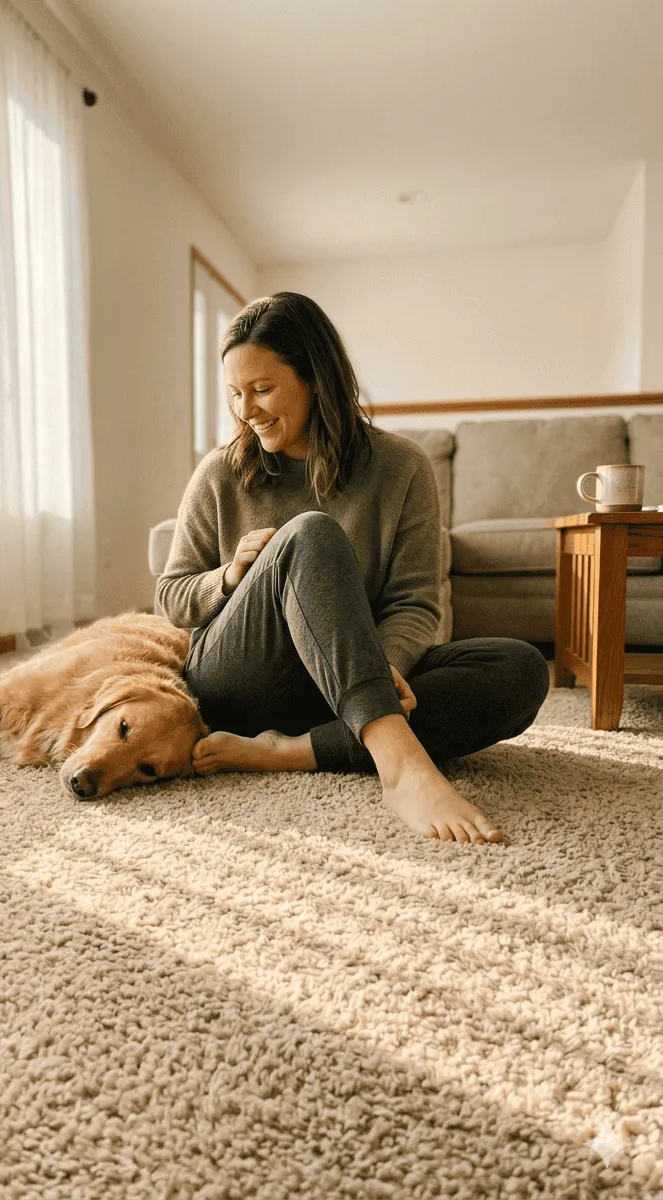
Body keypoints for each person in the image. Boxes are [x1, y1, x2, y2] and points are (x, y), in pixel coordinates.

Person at [156, 293, 550, 844]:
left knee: (521, 669)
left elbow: (415, 604)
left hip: (346, 680)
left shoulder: (402, 467)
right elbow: (171, 597)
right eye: (235, 394)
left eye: (263, 389)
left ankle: (296, 751)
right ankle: (400, 766)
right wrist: (228, 577)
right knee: (311, 533)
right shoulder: (220, 474)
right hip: (244, 679)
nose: (246, 410)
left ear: (316, 377)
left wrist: (383, 668)